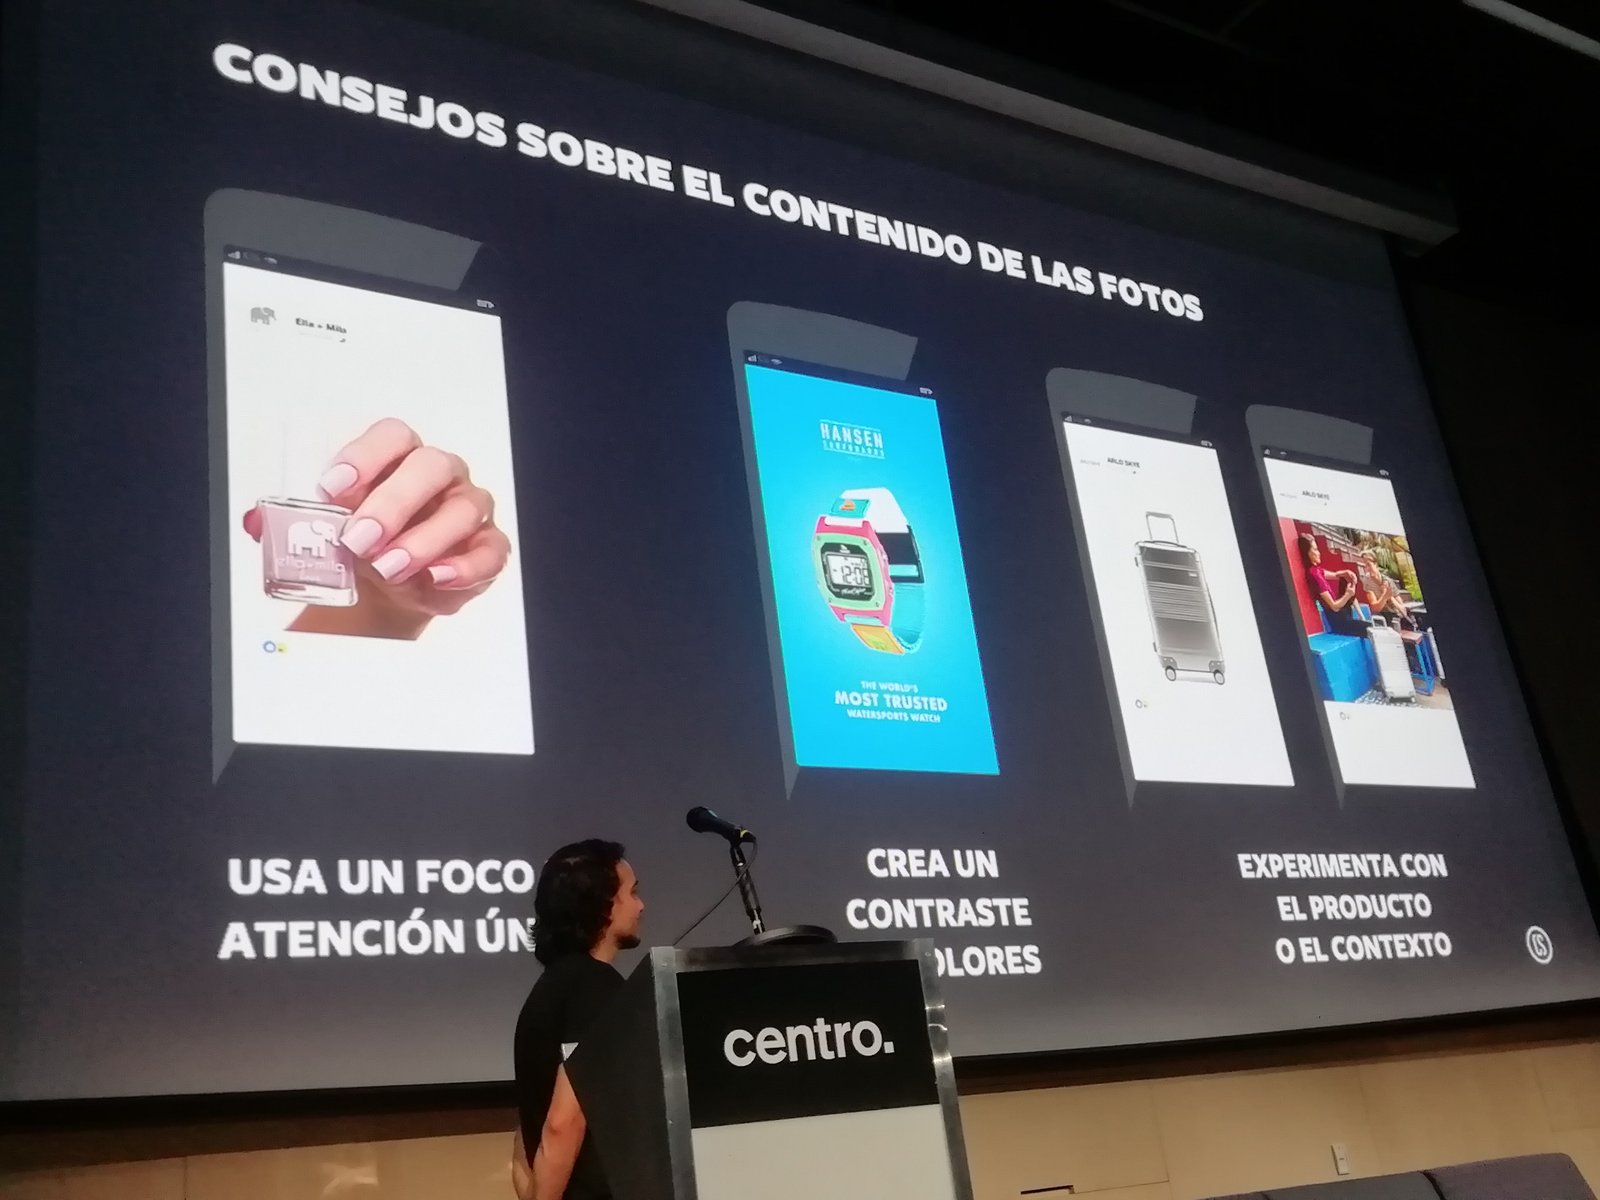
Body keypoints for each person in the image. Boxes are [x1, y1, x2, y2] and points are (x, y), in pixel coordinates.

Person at [512, 840, 646, 1200]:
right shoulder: (595, 988)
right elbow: (563, 1122)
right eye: (632, 893)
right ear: (604, 906)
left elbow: (523, 1144)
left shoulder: (546, 991)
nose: (641, 905)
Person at [1298, 533, 1368, 637]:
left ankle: (1361, 616)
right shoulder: (1314, 575)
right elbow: (1334, 607)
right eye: (1315, 550)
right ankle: (1361, 622)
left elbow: (1335, 575)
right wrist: (1348, 594)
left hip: (1343, 613)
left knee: (1345, 578)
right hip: (1339, 623)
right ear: (1307, 553)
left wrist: (1347, 572)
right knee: (1371, 629)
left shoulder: (1317, 570)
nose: (1319, 553)